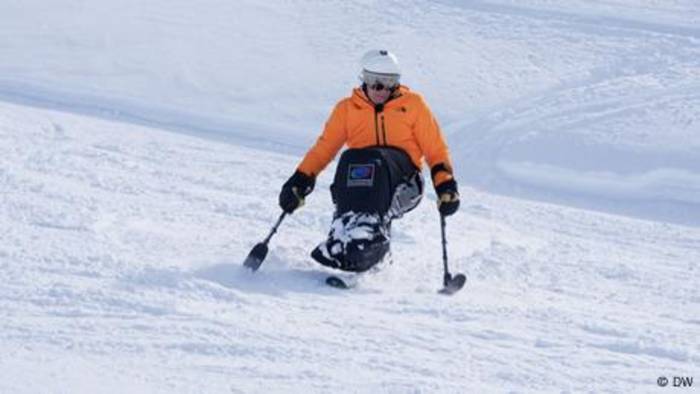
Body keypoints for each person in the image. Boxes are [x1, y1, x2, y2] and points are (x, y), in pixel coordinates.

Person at [279, 49, 460, 273]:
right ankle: (344, 234)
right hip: (363, 183)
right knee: (350, 159)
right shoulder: (347, 109)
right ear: (364, 79)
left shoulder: (413, 105)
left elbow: (436, 150)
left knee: (376, 160)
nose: (381, 90)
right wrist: (299, 181)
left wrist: (446, 186)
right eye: (375, 82)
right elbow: (323, 149)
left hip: (405, 184)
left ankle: (370, 240)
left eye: (389, 83)